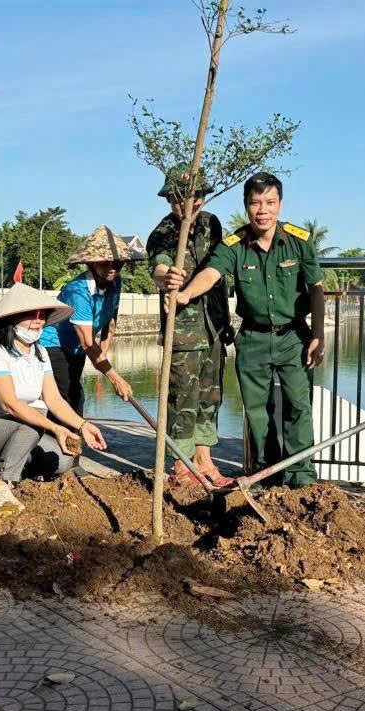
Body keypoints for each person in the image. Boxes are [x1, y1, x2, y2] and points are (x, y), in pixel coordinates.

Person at [167, 172, 324, 489]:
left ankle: (300, 478)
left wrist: (318, 334)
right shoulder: (235, 245)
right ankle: (266, 474)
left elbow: (316, 289)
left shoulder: (299, 241)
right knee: (257, 413)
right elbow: (211, 272)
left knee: (298, 407)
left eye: (270, 202)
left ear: (280, 204)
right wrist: (185, 294)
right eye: (255, 203)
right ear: (246, 205)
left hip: (294, 337)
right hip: (252, 339)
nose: (262, 210)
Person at [0, 283, 108, 509]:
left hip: (9, 429)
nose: (38, 321)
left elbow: (54, 400)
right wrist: (55, 428)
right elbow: (10, 405)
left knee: (62, 460)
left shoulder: (40, 352)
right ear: (13, 319)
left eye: (42, 315)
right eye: (31, 316)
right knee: (33, 422)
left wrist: (83, 425)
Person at [147, 164, 233, 487]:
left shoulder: (213, 225)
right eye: (178, 198)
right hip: (182, 331)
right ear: (169, 200)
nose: (185, 204)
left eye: (192, 196)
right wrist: (167, 276)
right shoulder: (163, 232)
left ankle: (204, 460)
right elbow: (158, 265)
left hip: (213, 326)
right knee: (182, 397)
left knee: (210, 397)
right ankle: (182, 466)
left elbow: (220, 264)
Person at [40, 225, 134, 418]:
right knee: (67, 393)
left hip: (77, 349)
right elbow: (88, 343)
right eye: (106, 262)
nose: (113, 268)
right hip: (53, 343)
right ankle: (66, 437)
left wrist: (104, 352)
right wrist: (115, 379)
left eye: (118, 263)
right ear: (92, 263)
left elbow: (111, 318)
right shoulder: (79, 292)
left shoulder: (116, 281)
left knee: (74, 392)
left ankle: (70, 436)